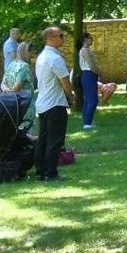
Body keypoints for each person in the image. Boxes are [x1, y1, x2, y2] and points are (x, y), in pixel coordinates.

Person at [33, 26, 76, 182]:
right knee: (55, 140)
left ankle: (40, 171)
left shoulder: (42, 56)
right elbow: (65, 81)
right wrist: (71, 98)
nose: (63, 38)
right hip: (55, 104)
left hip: (43, 103)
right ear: (51, 38)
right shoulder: (54, 58)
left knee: (43, 140)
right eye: (60, 35)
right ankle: (51, 173)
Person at [74, 31, 99, 131]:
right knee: (93, 100)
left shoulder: (86, 50)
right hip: (89, 75)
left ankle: (87, 121)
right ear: (85, 40)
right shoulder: (85, 50)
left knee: (88, 99)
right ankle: (87, 123)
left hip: (88, 75)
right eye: (90, 38)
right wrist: (100, 73)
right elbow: (91, 65)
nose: (92, 39)